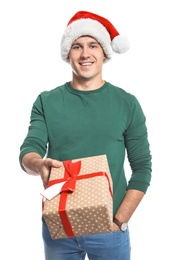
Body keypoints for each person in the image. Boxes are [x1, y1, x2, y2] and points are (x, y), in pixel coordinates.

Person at [19, 10, 152, 260]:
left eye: (93, 45)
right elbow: (29, 150)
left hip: (110, 230)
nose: (85, 54)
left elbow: (143, 168)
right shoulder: (47, 101)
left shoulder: (127, 104)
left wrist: (119, 220)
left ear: (104, 52)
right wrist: (38, 164)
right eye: (77, 46)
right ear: (68, 53)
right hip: (59, 226)